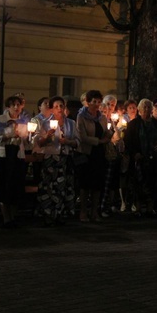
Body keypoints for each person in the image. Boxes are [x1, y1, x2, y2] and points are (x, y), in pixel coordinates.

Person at [35, 96, 79, 226]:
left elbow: (77, 142)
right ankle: (48, 214)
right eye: (56, 106)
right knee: (49, 187)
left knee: (63, 186)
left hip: (65, 158)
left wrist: (67, 142)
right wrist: (48, 136)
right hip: (51, 159)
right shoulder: (45, 123)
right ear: (51, 109)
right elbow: (39, 143)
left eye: (61, 106)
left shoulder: (71, 123)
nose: (59, 109)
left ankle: (60, 214)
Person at [124, 98, 157, 216]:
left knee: (153, 182)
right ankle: (138, 207)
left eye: (149, 107)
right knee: (139, 183)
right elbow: (128, 141)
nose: (147, 109)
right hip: (139, 158)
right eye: (144, 107)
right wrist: (135, 153)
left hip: (154, 158)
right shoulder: (133, 124)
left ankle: (150, 207)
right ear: (139, 110)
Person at [0, 95, 31, 227]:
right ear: (8, 107)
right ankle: (6, 217)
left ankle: (13, 216)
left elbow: (27, 142)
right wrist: (8, 134)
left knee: (16, 186)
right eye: (13, 105)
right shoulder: (0, 120)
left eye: (18, 105)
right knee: (4, 186)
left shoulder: (24, 121)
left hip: (18, 156)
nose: (16, 107)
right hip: (3, 156)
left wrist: (30, 135)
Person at [76, 90, 111, 222]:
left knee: (97, 184)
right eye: (94, 101)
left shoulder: (101, 117)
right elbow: (83, 136)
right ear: (88, 102)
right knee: (85, 185)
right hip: (87, 153)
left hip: (99, 154)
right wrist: (99, 141)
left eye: (98, 101)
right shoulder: (81, 117)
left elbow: (105, 131)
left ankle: (94, 212)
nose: (96, 104)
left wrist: (109, 135)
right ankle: (83, 212)